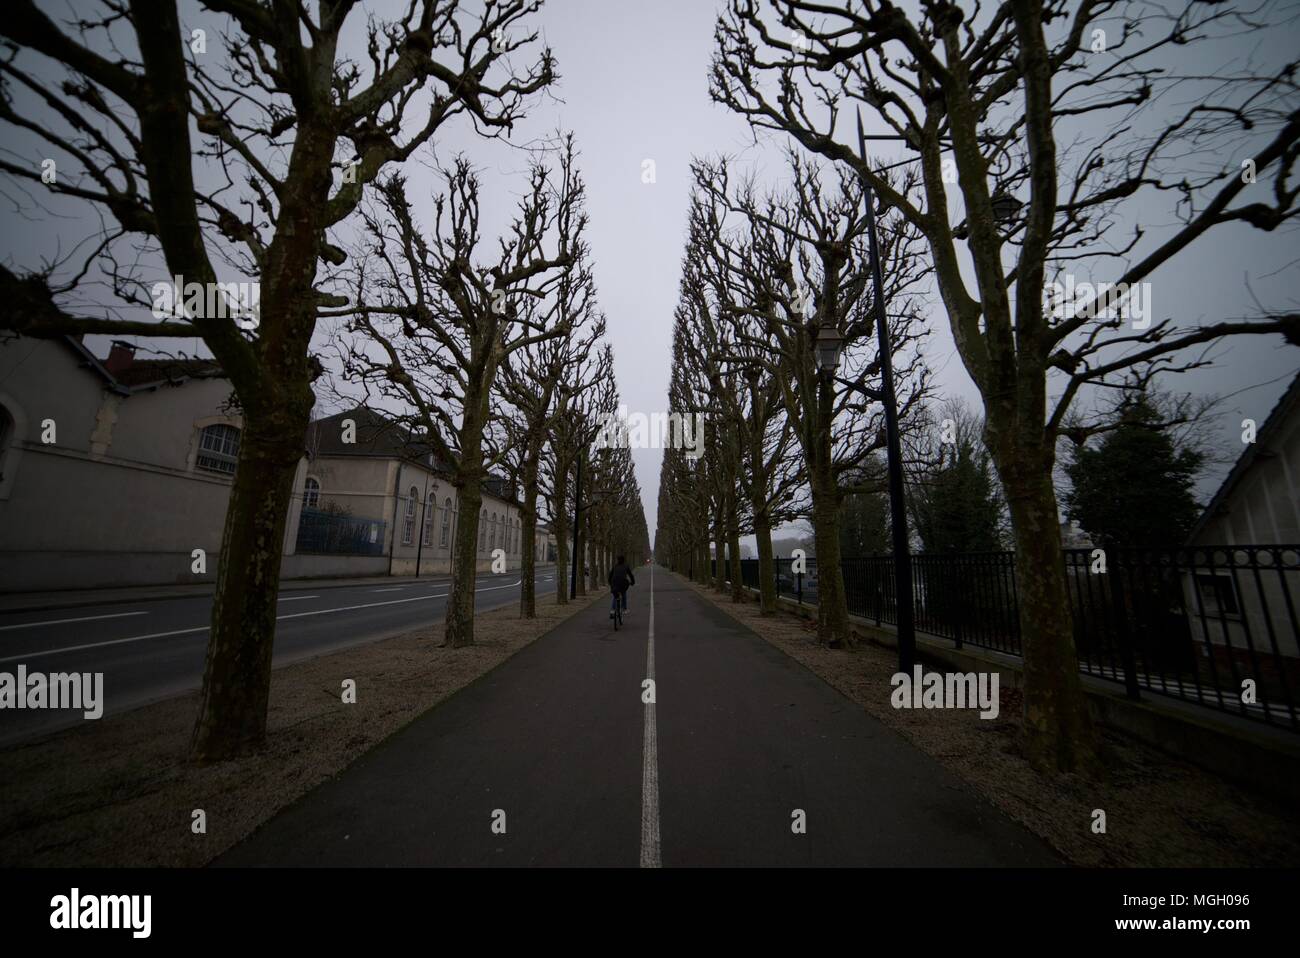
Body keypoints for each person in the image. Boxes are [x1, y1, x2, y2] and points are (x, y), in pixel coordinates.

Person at [608, 554, 635, 618]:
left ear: (617, 560)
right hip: (623, 583)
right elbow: (631, 575)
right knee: (623, 593)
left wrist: (610, 583)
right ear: (624, 560)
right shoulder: (626, 566)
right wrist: (632, 582)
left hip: (614, 583)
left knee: (615, 596)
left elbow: (610, 575)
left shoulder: (615, 566)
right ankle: (624, 609)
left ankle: (612, 610)